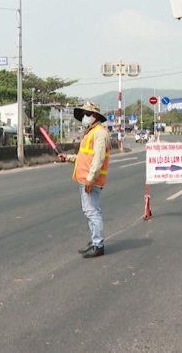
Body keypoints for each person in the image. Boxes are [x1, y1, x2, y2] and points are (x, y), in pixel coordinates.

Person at [57, 102, 110, 259]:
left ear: (95, 116)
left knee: (93, 211)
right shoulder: (91, 133)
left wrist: (90, 178)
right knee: (89, 211)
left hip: (90, 180)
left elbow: (98, 159)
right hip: (85, 179)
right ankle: (94, 240)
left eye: (88, 114)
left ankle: (98, 245)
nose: (85, 117)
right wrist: (68, 158)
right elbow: (83, 157)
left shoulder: (99, 133)